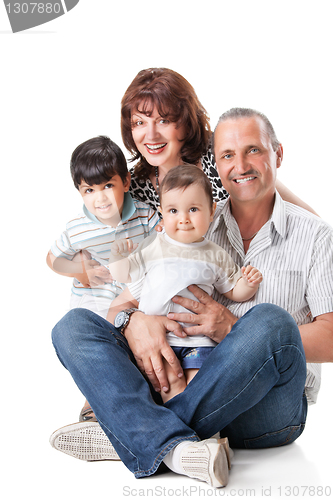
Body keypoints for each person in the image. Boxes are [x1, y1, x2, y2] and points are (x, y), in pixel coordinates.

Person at [50, 108, 333, 487]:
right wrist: (134, 322)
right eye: (228, 155)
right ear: (215, 164)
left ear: (278, 155)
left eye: (254, 150)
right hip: (178, 378)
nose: (241, 165)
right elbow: (125, 301)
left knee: (270, 321)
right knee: (74, 326)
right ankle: (178, 448)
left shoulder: (315, 236)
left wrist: (232, 328)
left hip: (266, 404)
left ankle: (128, 431)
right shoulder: (189, 223)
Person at [109, 165, 263, 402]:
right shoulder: (153, 246)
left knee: (197, 389)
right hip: (156, 340)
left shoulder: (215, 254)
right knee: (169, 385)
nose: (183, 219)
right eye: (173, 210)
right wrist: (118, 258)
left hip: (197, 341)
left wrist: (249, 284)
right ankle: (184, 435)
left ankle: (201, 433)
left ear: (211, 211)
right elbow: (124, 275)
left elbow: (233, 290)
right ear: (161, 212)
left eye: (193, 209)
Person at [47, 135, 160, 319]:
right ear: (80, 191)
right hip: (94, 304)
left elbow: (164, 245)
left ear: (125, 182)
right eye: (90, 190)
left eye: (108, 186)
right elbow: (52, 259)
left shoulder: (145, 215)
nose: (100, 199)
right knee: (79, 324)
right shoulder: (78, 228)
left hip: (135, 302)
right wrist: (79, 272)